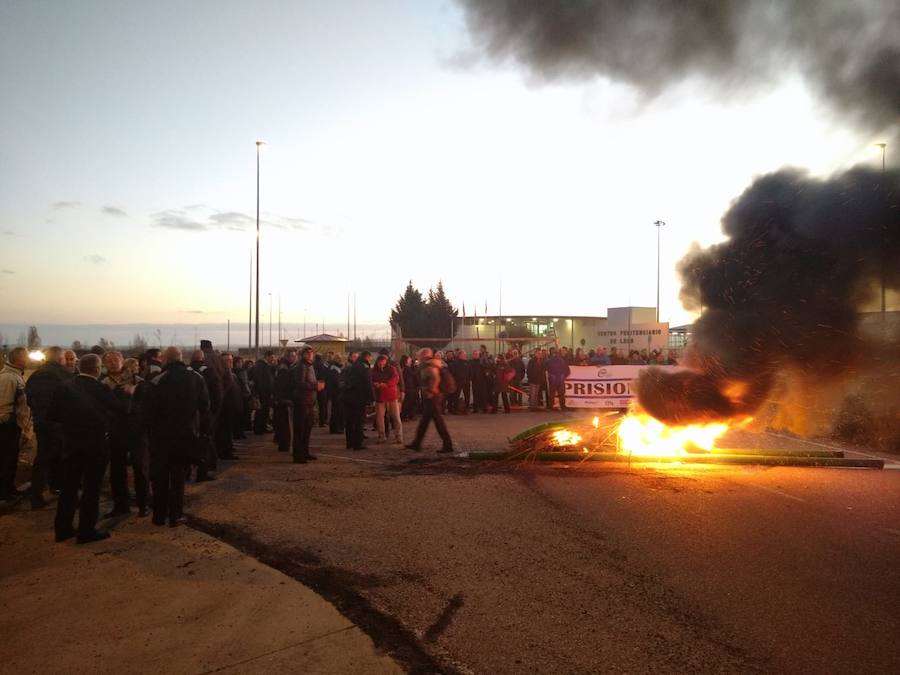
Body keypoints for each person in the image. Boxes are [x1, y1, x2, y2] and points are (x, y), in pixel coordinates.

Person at [49, 354, 128, 543]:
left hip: (70, 444)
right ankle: (86, 530)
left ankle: (63, 529)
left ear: (79, 367)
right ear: (98, 369)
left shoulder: (63, 387)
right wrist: (127, 394)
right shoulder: (100, 388)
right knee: (91, 488)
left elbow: (53, 415)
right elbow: (120, 410)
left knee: (68, 487)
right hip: (96, 444)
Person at [144, 347, 210, 527]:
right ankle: (176, 515)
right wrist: (203, 433)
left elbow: (147, 411)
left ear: (165, 360)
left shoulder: (157, 380)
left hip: (161, 437)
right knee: (178, 477)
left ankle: (159, 516)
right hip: (185, 435)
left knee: (160, 477)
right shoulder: (196, 378)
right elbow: (205, 408)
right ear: (181, 358)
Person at [25, 346, 73, 508]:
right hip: (59, 424)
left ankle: (36, 495)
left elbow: (28, 397)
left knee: (42, 458)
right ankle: (61, 489)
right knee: (63, 457)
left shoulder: (35, 375)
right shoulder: (64, 375)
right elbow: (71, 399)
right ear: (60, 359)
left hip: (41, 423)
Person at [99, 350, 143, 517]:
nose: (112, 363)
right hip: (115, 430)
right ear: (104, 364)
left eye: (115, 360)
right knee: (117, 469)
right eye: (109, 361)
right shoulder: (102, 383)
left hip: (135, 429)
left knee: (140, 467)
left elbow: (146, 401)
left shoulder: (136, 379)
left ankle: (143, 503)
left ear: (122, 360)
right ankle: (121, 505)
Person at [0, 347, 34, 501]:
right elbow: (3, 403)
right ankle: (4, 493)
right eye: (26, 357)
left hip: (13, 425)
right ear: (19, 358)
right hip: (7, 426)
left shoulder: (15, 375)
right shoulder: (8, 378)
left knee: (11, 459)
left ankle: (9, 489)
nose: (28, 360)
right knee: (6, 459)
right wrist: (7, 421)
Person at [406, 348, 453, 453]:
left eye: (419, 355)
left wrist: (431, 391)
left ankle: (447, 445)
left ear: (423, 355)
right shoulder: (430, 364)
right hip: (433, 395)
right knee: (425, 421)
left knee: (438, 421)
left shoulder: (429, 365)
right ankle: (417, 443)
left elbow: (434, 378)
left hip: (433, 396)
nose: (417, 357)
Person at [291, 347, 321, 463]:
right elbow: (299, 384)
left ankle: (304, 452)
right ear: (302, 355)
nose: (310, 355)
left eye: (311, 353)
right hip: (302, 402)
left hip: (309, 402)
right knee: (300, 429)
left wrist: (316, 385)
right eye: (307, 353)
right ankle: (298, 455)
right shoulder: (301, 367)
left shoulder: (309, 366)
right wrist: (315, 386)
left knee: (307, 428)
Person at [342, 350, 374, 450]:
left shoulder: (353, 366)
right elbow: (367, 383)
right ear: (367, 357)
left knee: (350, 421)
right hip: (359, 397)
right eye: (370, 358)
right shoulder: (364, 367)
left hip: (348, 397)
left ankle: (349, 443)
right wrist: (371, 398)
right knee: (359, 421)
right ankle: (357, 443)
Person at [372, 353, 403, 444]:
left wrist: (386, 384)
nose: (381, 364)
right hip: (380, 397)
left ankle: (398, 436)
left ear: (386, 362)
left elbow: (396, 379)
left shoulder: (392, 369)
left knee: (396, 417)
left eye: (383, 362)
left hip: (391, 396)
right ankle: (382, 436)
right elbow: (371, 380)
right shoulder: (373, 371)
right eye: (380, 363)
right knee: (380, 418)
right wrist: (375, 384)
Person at [273, 349, 297, 452]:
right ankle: (284, 444)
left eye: (294, 356)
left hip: (282, 398)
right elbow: (282, 385)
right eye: (291, 356)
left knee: (283, 423)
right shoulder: (284, 368)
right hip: (284, 399)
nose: (293, 358)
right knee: (285, 423)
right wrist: (284, 399)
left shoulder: (285, 366)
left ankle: (283, 443)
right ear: (287, 357)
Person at [253, 351, 276, 434]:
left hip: (266, 393)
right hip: (263, 393)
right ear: (267, 356)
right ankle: (259, 429)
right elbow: (260, 380)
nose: (273, 359)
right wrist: (262, 393)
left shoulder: (265, 365)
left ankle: (262, 427)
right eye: (272, 357)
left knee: (265, 411)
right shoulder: (261, 365)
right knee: (261, 411)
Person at [327, 354, 345, 434]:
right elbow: (337, 382)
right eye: (340, 359)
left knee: (336, 410)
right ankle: (335, 428)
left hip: (335, 392)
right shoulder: (334, 368)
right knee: (336, 411)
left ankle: (335, 427)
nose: (341, 360)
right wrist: (344, 384)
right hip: (336, 392)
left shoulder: (334, 367)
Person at [448, 349, 469, 414]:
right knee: (456, 395)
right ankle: (456, 409)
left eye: (465, 355)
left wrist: (469, 379)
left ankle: (466, 408)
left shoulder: (467, 363)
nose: (465, 356)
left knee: (467, 395)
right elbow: (453, 372)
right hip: (458, 382)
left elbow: (470, 372)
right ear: (460, 355)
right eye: (464, 355)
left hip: (466, 381)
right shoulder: (455, 363)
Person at [399, 354, 419, 421]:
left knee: (409, 402)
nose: (410, 361)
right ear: (406, 361)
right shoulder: (406, 368)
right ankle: (404, 416)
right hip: (409, 388)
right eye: (409, 359)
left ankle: (408, 415)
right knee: (408, 403)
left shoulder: (404, 368)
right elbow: (414, 374)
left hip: (409, 387)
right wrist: (416, 367)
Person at [313, 353, 330, 428]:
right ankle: (322, 422)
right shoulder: (324, 365)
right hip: (323, 386)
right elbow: (328, 376)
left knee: (312, 405)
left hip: (313, 386)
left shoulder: (312, 365)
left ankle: (313, 421)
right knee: (322, 405)